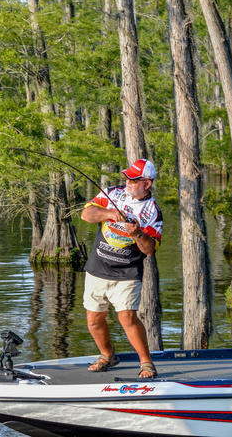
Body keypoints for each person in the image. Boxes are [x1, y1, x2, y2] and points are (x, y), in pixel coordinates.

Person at [80, 158, 163, 379]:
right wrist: (108, 214)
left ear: (147, 183)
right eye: (127, 177)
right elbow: (86, 214)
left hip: (127, 273)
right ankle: (107, 356)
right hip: (97, 267)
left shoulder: (152, 211)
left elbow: (149, 250)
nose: (127, 182)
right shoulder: (112, 194)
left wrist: (136, 233)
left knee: (127, 317)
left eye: (134, 180)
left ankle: (146, 362)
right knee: (94, 319)